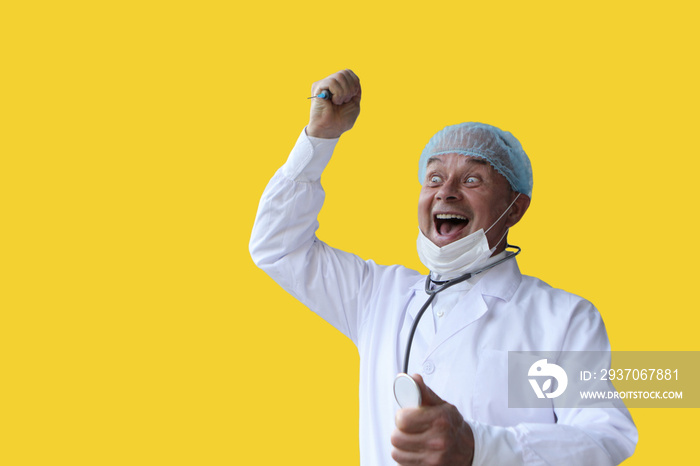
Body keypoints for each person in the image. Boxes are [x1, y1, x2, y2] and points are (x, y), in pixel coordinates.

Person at [249, 69, 637, 465]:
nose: (446, 192)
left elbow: (604, 437)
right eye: (434, 177)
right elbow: (277, 246)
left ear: (515, 208)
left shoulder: (562, 318)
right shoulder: (377, 295)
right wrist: (320, 137)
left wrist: (480, 448)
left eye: (472, 179)